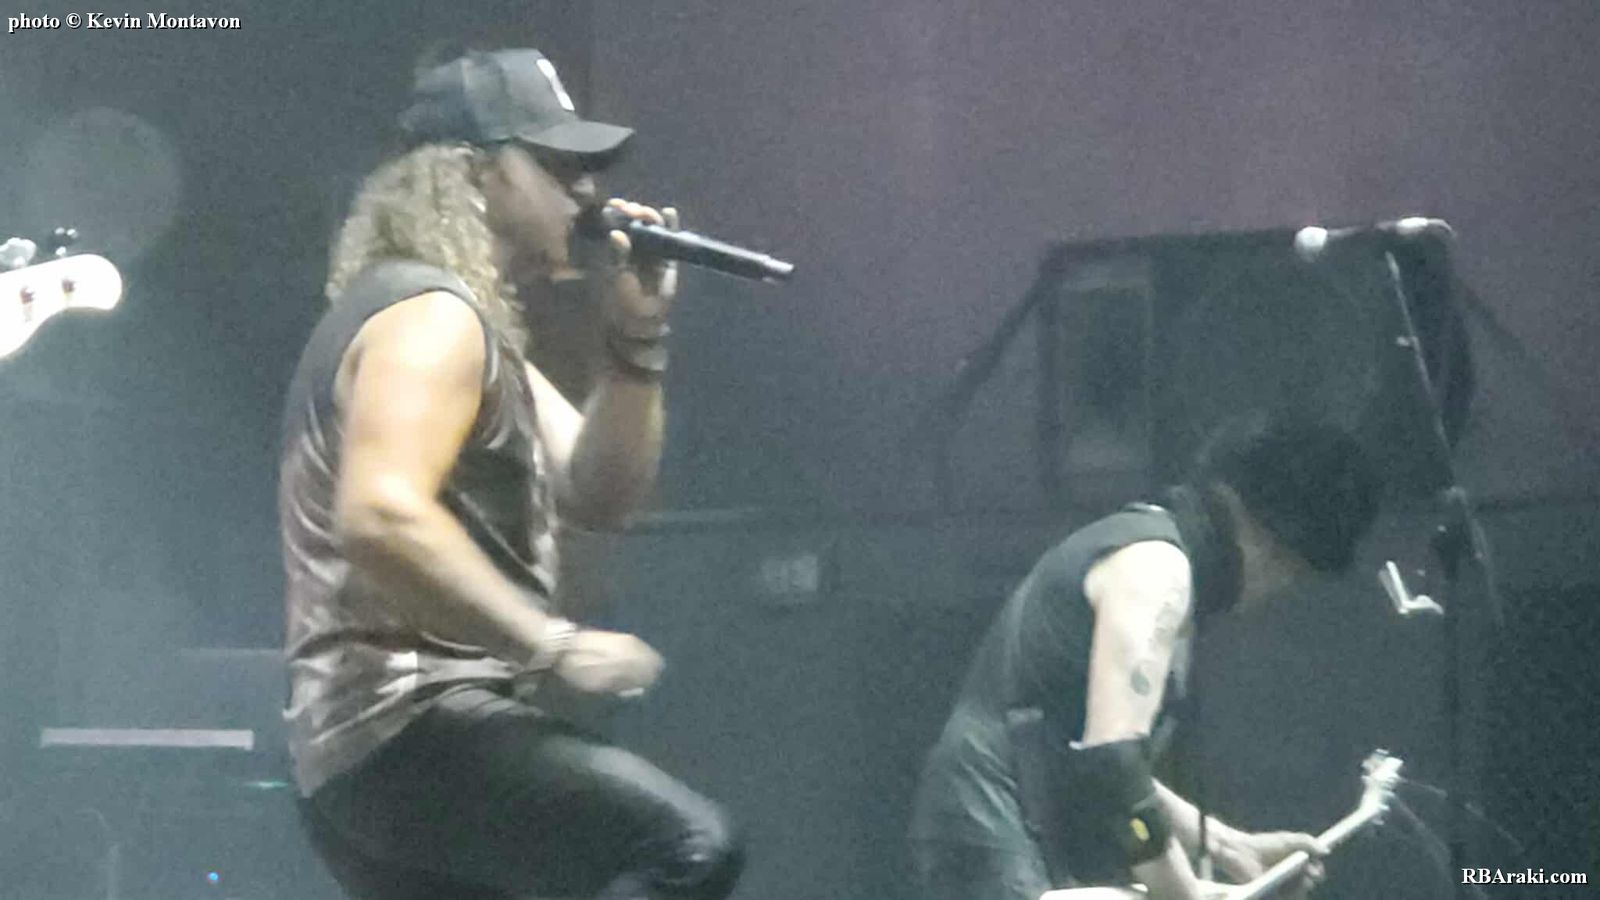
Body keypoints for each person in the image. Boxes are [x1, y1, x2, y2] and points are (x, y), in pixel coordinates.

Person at [279, 47, 742, 900]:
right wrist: (550, 645)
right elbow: (379, 516)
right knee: (689, 846)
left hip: (370, 757)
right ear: (475, 173)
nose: (587, 194)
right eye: (559, 167)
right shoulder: (430, 318)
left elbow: (600, 495)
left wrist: (636, 339)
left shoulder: (459, 328)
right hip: (409, 730)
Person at [909, 412, 1383, 900]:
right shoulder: (1157, 568)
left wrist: (1228, 846)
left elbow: (1092, 761)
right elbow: (1113, 762)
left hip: (997, 820)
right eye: (1291, 571)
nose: (1278, 591)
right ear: (1269, 538)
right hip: (997, 829)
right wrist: (1183, 893)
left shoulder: (1147, 549)